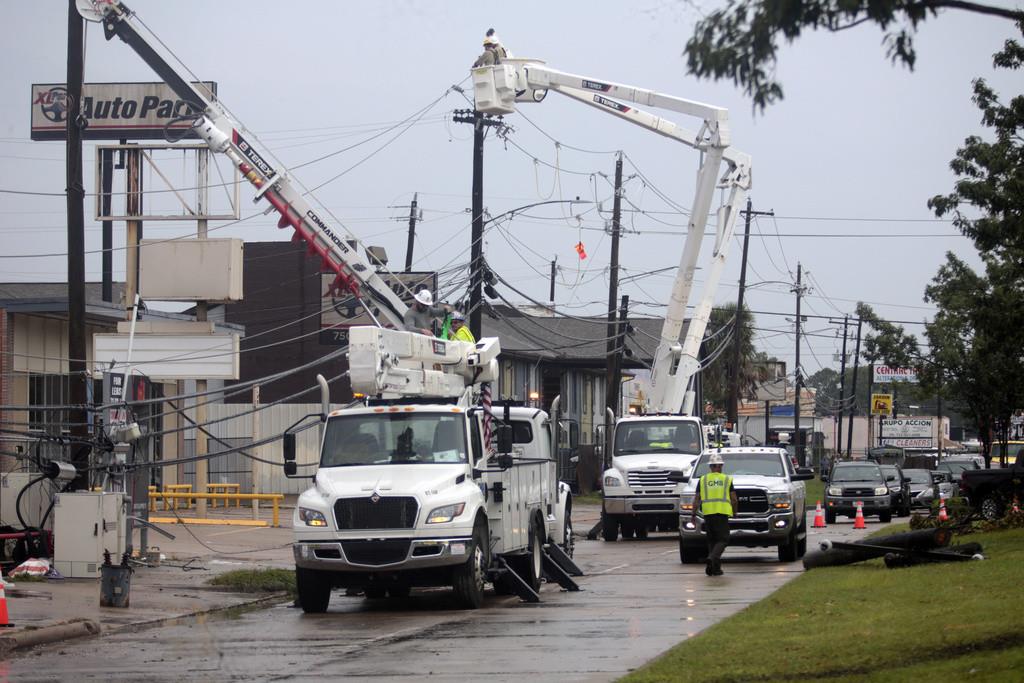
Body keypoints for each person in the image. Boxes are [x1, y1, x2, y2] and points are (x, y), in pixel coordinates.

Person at [691, 453, 739, 576]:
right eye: (721, 465)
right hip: (721, 514)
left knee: (712, 541)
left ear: (710, 466)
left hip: (707, 514)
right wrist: (735, 512)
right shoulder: (726, 479)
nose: (721, 467)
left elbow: (697, 499)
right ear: (718, 465)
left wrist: (693, 514)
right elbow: (734, 499)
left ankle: (714, 569)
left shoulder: (703, 480)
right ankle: (712, 558)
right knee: (723, 539)